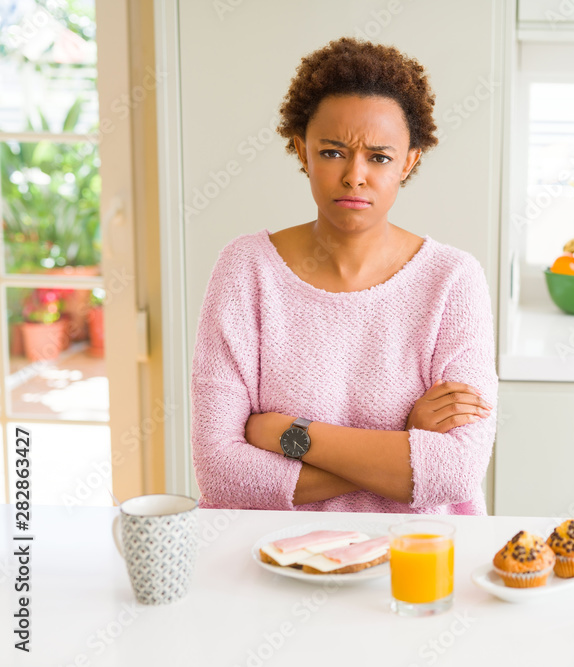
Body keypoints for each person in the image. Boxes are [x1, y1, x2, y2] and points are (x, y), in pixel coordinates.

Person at [189, 38, 497, 515]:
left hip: (412, 564)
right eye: (333, 152)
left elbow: (455, 472)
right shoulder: (246, 270)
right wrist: (401, 448)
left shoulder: (453, 281)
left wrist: (288, 435)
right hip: (265, 563)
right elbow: (221, 473)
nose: (355, 175)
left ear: (408, 162)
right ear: (302, 151)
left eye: (379, 157)